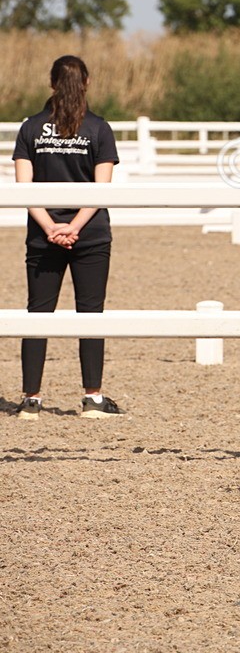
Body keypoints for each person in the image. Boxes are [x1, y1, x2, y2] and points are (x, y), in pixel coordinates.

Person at [12, 55, 122, 420]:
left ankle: (31, 399)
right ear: (87, 82)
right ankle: (93, 397)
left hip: (43, 235)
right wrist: (74, 226)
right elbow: (101, 189)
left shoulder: (30, 128)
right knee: (91, 313)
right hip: (89, 234)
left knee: (37, 314)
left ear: (51, 83)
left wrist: (49, 227)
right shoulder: (99, 129)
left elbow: (23, 187)